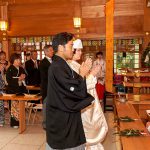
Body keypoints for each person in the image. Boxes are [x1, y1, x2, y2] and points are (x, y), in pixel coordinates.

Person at [46, 32, 94, 150]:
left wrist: (81, 75)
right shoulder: (57, 66)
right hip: (62, 120)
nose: (73, 49)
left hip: (65, 115)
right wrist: (82, 75)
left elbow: (70, 87)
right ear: (61, 48)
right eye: (71, 46)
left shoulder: (62, 64)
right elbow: (72, 90)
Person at [68, 39, 108, 150]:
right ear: (72, 50)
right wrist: (92, 74)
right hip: (80, 104)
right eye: (79, 50)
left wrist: (91, 74)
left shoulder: (76, 64)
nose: (81, 53)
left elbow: (83, 80)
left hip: (84, 102)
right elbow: (78, 86)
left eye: (81, 50)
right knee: (86, 130)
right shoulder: (70, 66)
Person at [6, 53, 27, 128]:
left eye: (20, 59)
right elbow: (9, 81)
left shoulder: (21, 68)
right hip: (12, 90)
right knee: (14, 108)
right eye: (17, 60)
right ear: (13, 61)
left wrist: (23, 78)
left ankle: (21, 121)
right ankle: (14, 123)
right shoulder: (10, 69)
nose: (19, 61)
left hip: (20, 90)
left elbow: (24, 78)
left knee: (20, 107)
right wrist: (18, 79)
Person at [39, 45, 54, 129]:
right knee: (46, 106)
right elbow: (44, 77)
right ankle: (45, 124)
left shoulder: (54, 60)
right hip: (47, 88)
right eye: (51, 50)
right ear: (46, 52)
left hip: (54, 88)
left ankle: (52, 122)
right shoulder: (43, 63)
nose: (53, 51)